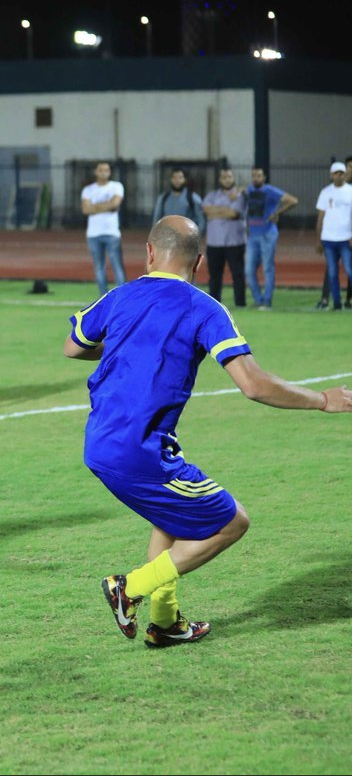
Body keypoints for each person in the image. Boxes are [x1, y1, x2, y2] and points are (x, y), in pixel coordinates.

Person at [64, 215, 352, 648]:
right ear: (198, 262)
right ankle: (131, 587)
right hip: (137, 451)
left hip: (103, 441)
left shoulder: (120, 295)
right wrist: (322, 400)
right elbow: (253, 384)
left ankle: (165, 623)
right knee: (232, 522)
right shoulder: (203, 307)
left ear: (147, 252)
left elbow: (74, 346)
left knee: (168, 519)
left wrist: (128, 344)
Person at [244, 166, 298, 310]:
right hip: (253, 234)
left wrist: (277, 213)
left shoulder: (270, 190)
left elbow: (293, 201)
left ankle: (267, 301)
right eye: (254, 175)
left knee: (267, 268)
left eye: (259, 175)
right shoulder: (248, 191)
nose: (256, 178)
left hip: (268, 233)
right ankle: (258, 300)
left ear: (264, 178)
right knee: (249, 270)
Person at [201, 168, 247, 307]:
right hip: (214, 243)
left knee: (238, 275)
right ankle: (215, 305)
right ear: (220, 180)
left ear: (233, 179)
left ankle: (240, 304)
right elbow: (206, 211)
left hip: (235, 242)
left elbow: (234, 213)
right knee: (215, 277)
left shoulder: (240, 195)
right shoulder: (211, 195)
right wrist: (226, 207)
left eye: (229, 177)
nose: (227, 180)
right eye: (224, 177)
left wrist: (216, 211)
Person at [81, 161, 125, 296]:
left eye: (106, 170)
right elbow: (85, 209)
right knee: (99, 267)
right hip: (93, 234)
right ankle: (103, 297)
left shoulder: (116, 186)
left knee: (117, 266)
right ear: (96, 172)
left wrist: (95, 207)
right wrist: (107, 205)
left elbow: (115, 204)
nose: (103, 172)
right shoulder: (88, 190)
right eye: (101, 170)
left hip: (111, 233)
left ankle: (123, 297)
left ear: (110, 172)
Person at [315, 161, 352, 311]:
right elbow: (320, 217)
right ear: (331, 175)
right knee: (332, 272)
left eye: (342, 173)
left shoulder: (350, 191)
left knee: (349, 270)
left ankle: (347, 300)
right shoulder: (325, 193)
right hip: (328, 239)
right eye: (336, 173)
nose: (339, 176)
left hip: (345, 238)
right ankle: (337, 303)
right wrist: (318, 240)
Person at [152, 168, 205, 232]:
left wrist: (194, 237)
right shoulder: (163, 198)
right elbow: (156, 220)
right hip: (167, 237)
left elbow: (201, 221)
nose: (177, 180)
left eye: (180, 177)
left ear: (184, 179)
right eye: (174, 178)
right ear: (171, 179)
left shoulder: (193, 198)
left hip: (186, 238)